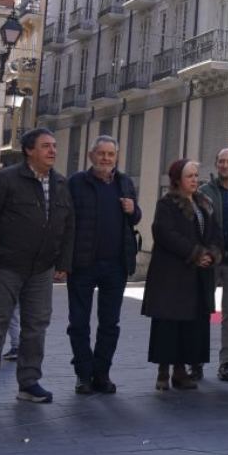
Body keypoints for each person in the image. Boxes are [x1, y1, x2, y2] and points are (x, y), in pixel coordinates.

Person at [0, 127, 74, 407]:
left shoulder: (61, 184)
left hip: (41, 268)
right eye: (46, 146)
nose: (53, 151)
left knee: (36, 325)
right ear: (29, 150)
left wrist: (63, 263)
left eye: (54, 146)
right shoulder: (5, 179)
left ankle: (29, 383)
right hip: (5, 266)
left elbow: (68, 226)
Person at [66, 135, 142, 394]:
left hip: (116, 265)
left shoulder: (124, 183)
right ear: (91, 156)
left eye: (111, 154)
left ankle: (102, 373)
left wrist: (133, 209)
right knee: (79, 322)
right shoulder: (76, 183)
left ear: (116, 158)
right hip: (83, 265)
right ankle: (83, 375)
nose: (106, 159)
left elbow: (136, 219)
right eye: (101, 154)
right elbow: (65, 222)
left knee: (110, 323)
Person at [143, 159, 222, 392]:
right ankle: (163, 372)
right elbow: (164, 233)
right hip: (171, 276)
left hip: (197, 277)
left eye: (196, 176)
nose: (195, 180)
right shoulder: (167, 204)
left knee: (190, 324)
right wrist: (194, 253)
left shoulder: (204, 203)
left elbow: (216, 232)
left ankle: (181, 371)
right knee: (169, 323)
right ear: (178, 179)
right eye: (190, 176)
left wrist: (212, 254)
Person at [199, 148, 228, 383]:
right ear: (216, 164)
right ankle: (196, 361)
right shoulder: (204, 191)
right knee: (201, 310)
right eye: (221, 161)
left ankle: (226, 363)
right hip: (210, 258)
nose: (225, 165)